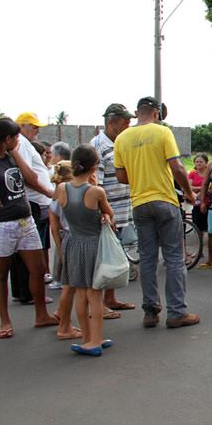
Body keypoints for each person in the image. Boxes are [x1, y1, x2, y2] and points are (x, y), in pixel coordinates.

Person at [113, 96, 199, 329]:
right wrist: (189, 192)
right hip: (164, 200)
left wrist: (140, 176)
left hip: (139, 203)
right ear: (157, 113)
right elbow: (177, 166)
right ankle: (177, 312)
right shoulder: (162, 132)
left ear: (137, 112)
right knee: (173, 258)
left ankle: (150, 312)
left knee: (148, 259)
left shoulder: (122, 138)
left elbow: (121, 176)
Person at [0, 118, 58, 338]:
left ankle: (41, 315)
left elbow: (30, 178)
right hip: (2, 223)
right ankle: (5, 322)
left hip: (25, 219)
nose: (19, 141)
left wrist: (15, 153)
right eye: (16, 138)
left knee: (38, 270)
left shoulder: (11, 156)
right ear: (7, 138)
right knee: (0, 274)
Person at [57, 144, 115, 356]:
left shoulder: (62, 188)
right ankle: (97, 339)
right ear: (94, 167)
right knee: (95, 295)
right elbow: (109, 214)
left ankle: (86, 338)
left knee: (80, 293)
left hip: (73, 243)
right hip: (92, 244)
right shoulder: (96, 191)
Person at [90, 103, 137, 312]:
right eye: (125, 121)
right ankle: (97, 305)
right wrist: (103, 212)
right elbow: (94, 183)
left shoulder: (120, 143)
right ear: (111, 122)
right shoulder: (98, 146)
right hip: (107, 213)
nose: (128, 124)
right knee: (102, 259)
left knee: (113, 256)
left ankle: (110, 299)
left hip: (121, 210)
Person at [14, 112, 55, 292]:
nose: (37, 130)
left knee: (29, 249)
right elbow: (26, 176)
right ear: (22, 126)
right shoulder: (21, 144)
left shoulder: (23, 143)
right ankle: (29, 291)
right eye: (33, 126)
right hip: (32, 202)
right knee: (31, 252)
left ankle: (25, 290)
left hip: (34, 202)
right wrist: (47, 191)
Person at [49, 160, 83, 340]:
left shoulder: (56, 196)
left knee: (68, 286)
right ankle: (65, 326)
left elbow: (54, 227)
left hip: (65, 242)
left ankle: (60, 314)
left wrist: (60, 250)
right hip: (78, 241)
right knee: (72, 287)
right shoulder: (75, 193)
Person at [188, 153, 209, 248]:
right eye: (197, 161)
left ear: (206, 163)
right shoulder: (192, 173)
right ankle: (199, 249)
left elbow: (210, 188)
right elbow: (189, 187)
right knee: (197, 227)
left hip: (209, 202)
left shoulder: (209, 174)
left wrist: (197, 189)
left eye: (201, 162)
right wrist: (202, 188)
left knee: (209, 228)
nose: (198, 163)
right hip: (196, 203)